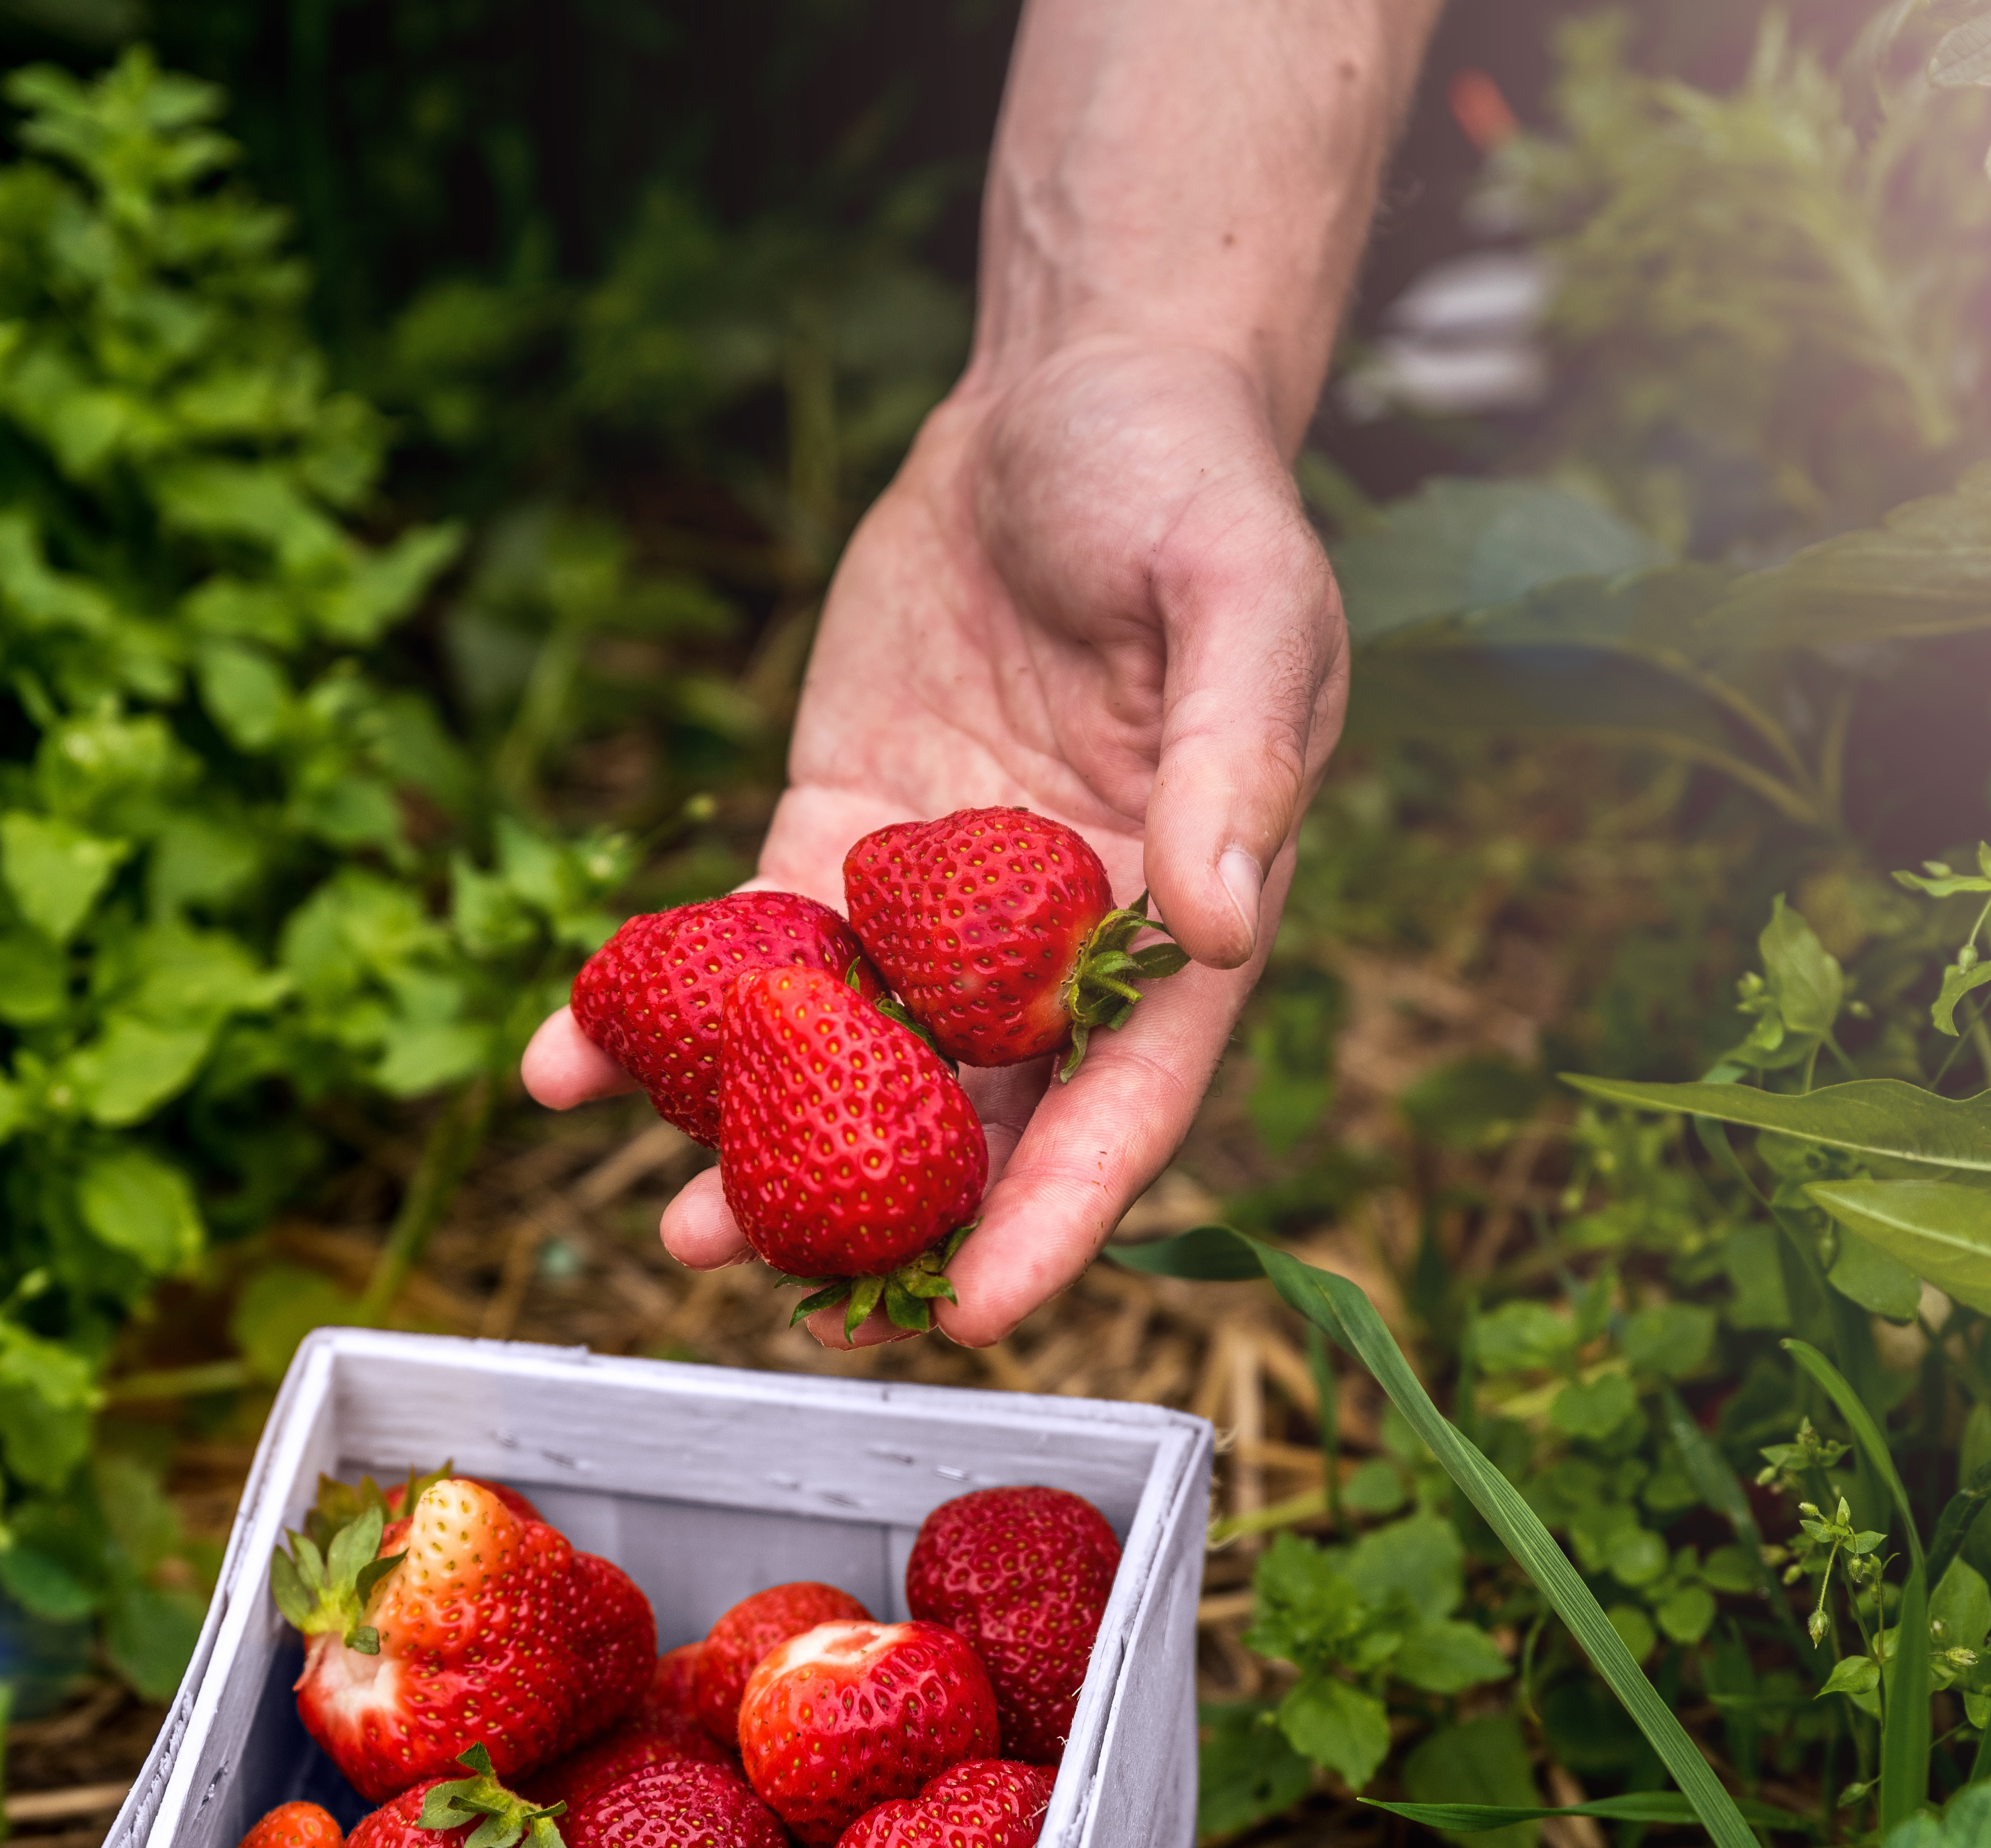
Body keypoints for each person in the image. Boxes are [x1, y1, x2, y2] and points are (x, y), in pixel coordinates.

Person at [522, 0, 1450, 1348]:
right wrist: (1103, 338)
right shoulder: (885, 977)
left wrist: (1136, 348)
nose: (798, 1004)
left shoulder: (922, 970)